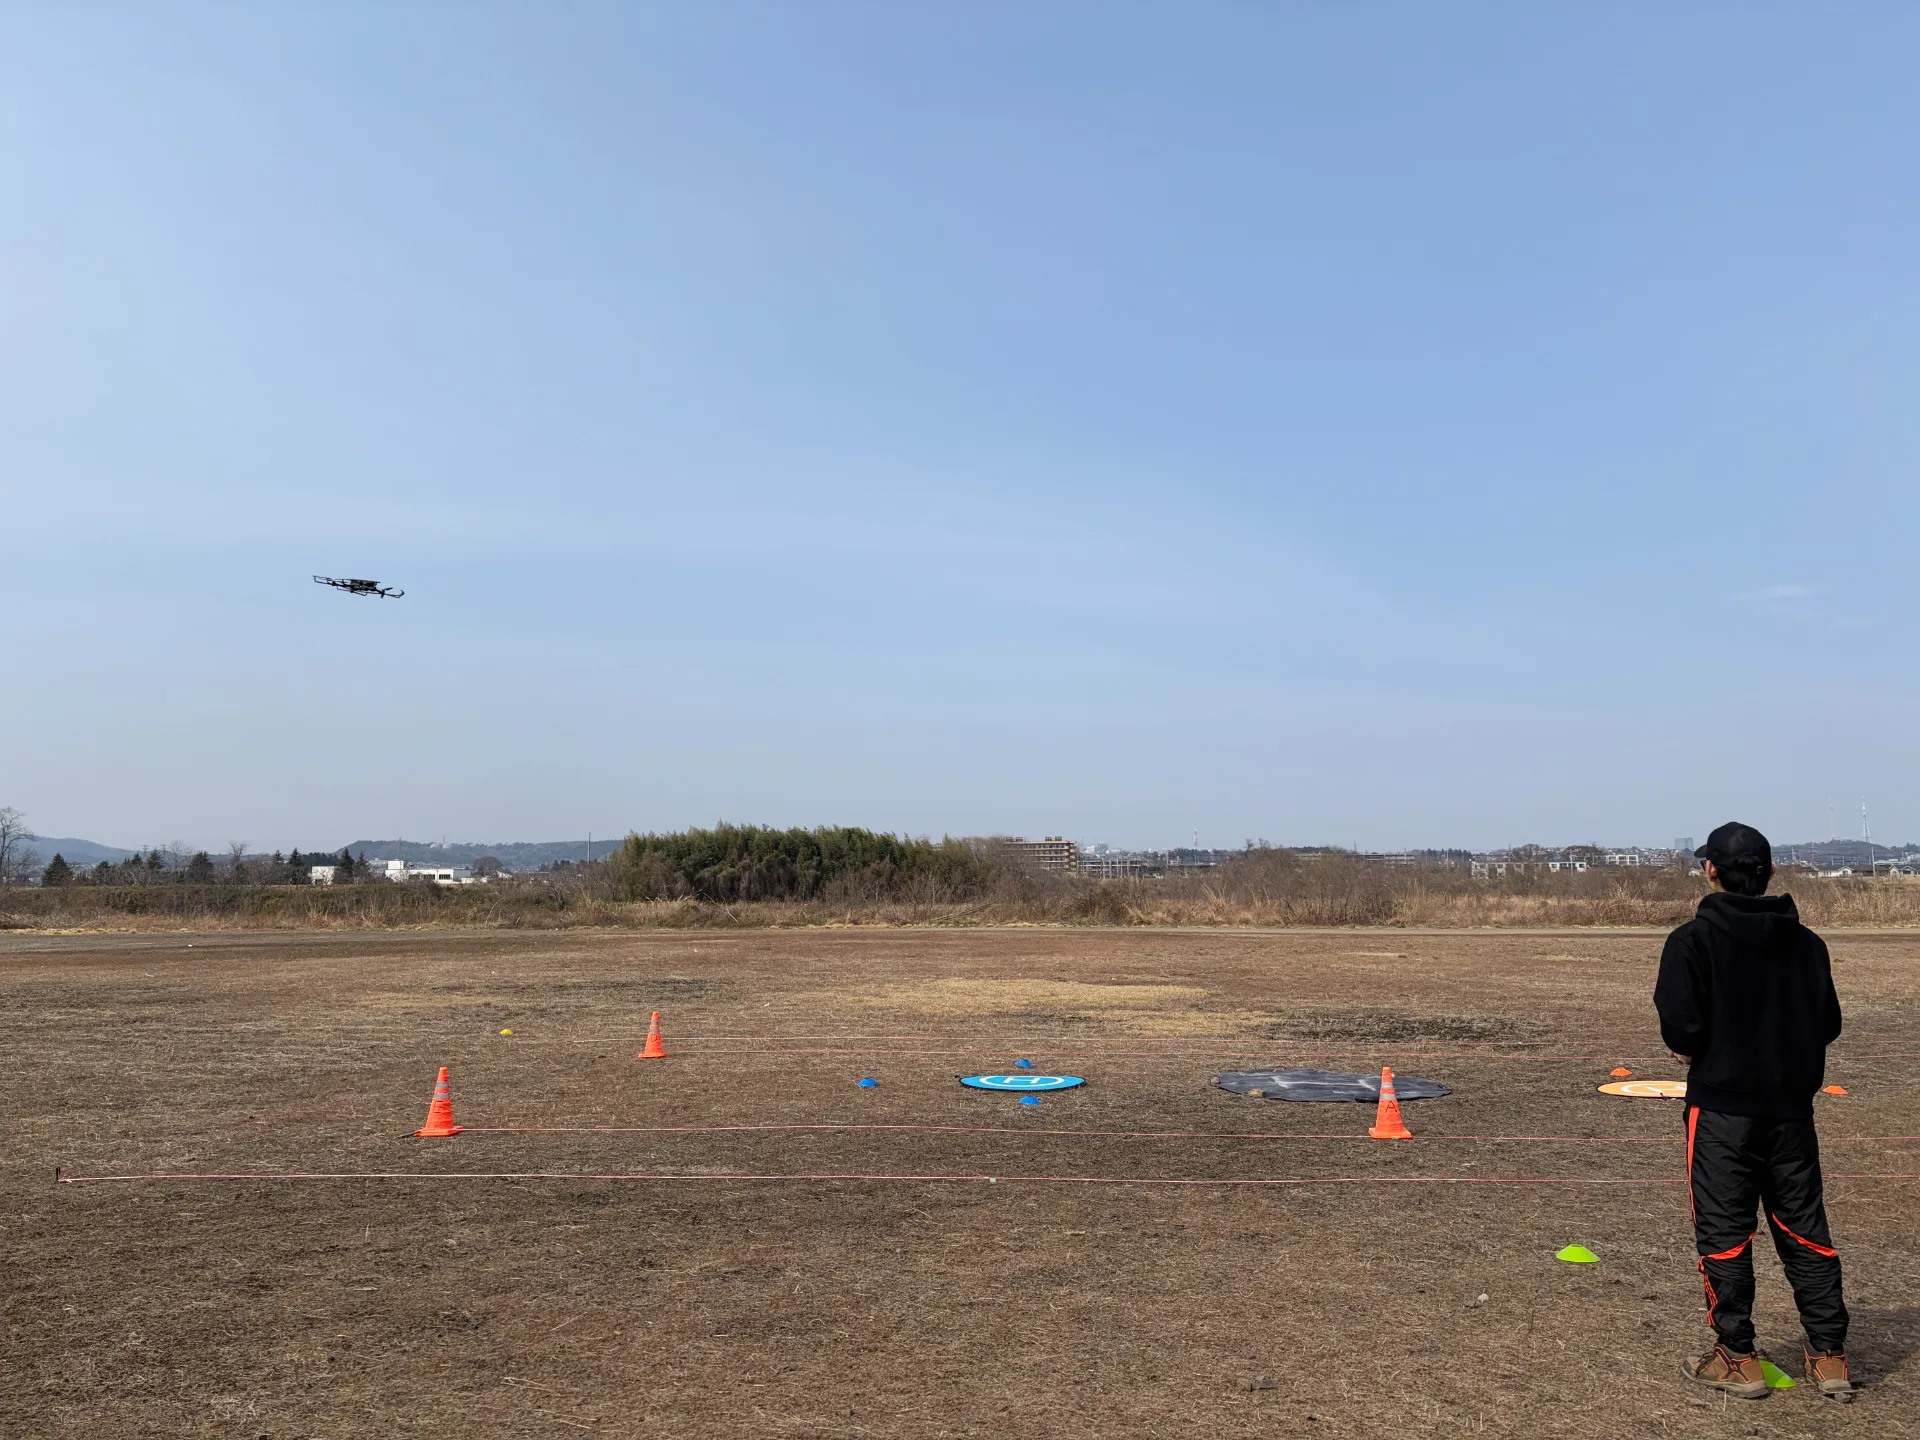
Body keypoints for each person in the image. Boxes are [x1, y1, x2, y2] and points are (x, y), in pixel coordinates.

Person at [1654, 822, 1853, 1402]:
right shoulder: (1809, 945)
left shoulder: (1691, 942)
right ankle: (1830, 1356)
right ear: (1769, 873)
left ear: (1710, 871)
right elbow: (1829, 1024)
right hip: (1792, 1113)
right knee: (1804, 1227)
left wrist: (1698, 1043)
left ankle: (1736, 1356)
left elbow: (1681, 1028)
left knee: (1723, 1231)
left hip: (1721, 1112)